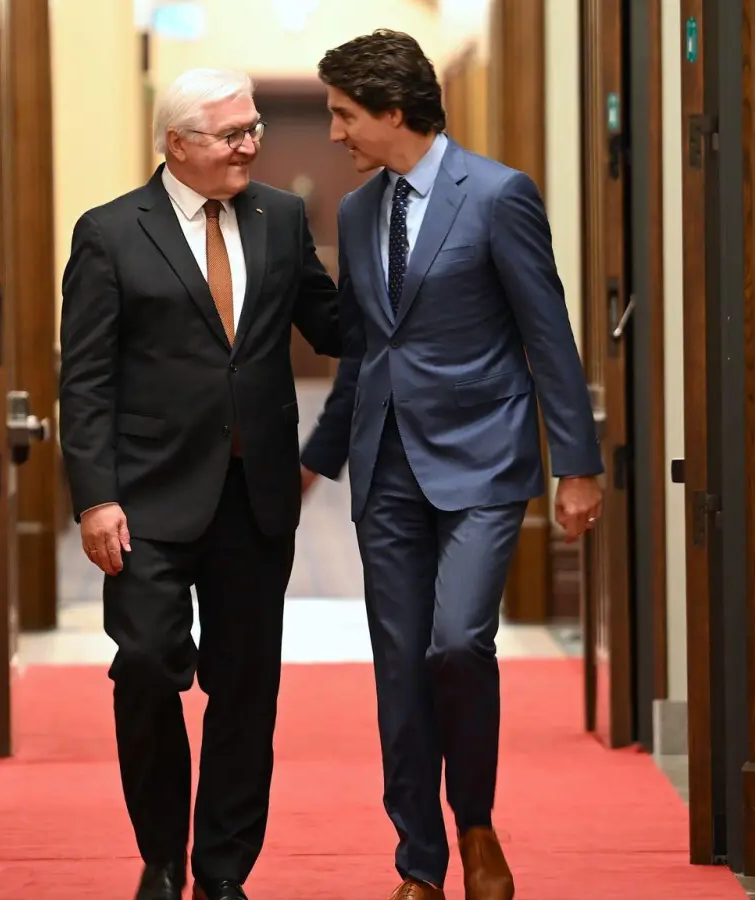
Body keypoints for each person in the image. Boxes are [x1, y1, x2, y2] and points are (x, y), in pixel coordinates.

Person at [300, 30, 604, 900]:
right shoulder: (358, 211)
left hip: (482, 462)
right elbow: (364, 351)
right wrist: (315, 463)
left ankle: (476, 822)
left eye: (345, 114)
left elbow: (548, 332)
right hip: (385, 470)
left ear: (394, 111)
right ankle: (419, 865)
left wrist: (575, 465)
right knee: (398, 669)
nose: (334, 133)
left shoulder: (500, 195)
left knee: (459, 643)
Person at [58, 67, 340, 900]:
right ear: (177, 144)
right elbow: (87, 379)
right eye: (232, 133)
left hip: (255, 497)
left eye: (254, 126)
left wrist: (419, 282)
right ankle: (160, 858)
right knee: (145, 665)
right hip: (144, 499)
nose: (252, 143)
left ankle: (222, 872)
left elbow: (329, 325)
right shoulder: (110, 233)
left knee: (246, 688)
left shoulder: (283, 218)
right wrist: (94, 496)